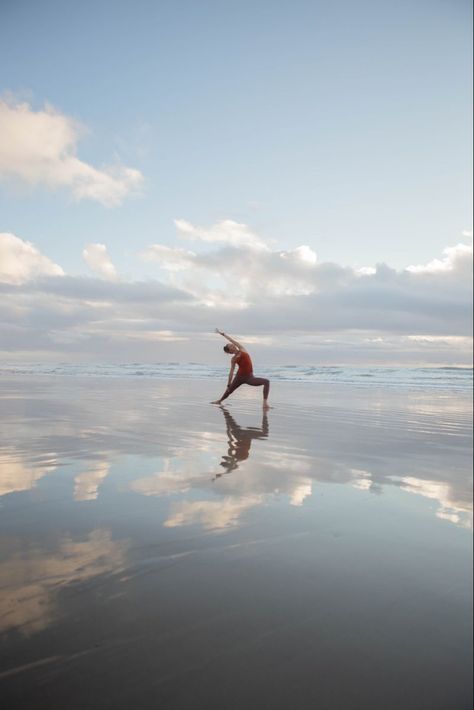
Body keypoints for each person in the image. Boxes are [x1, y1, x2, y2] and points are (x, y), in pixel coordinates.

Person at [211, 329, 271, 409]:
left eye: (232, 344)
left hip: (249, 377)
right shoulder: (233, 359)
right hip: (239, 377)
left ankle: (265, 403)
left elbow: (232, 340)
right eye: (231, 346)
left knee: (266, 382)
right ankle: (220, 401)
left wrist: (223, 334)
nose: (233, 345)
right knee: (229, 391)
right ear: (230, 351)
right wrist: (229, 384)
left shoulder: (241, 349)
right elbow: (231, 372)